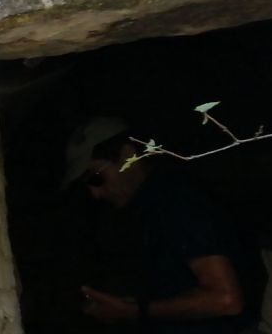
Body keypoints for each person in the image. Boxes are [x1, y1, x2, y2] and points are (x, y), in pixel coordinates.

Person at [65, 117, 261, 333]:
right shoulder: (149, 206)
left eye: (95, 178)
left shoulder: (175, 202)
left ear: (127, 154)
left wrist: (133, 311)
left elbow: (225, 299)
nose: (95, 193)